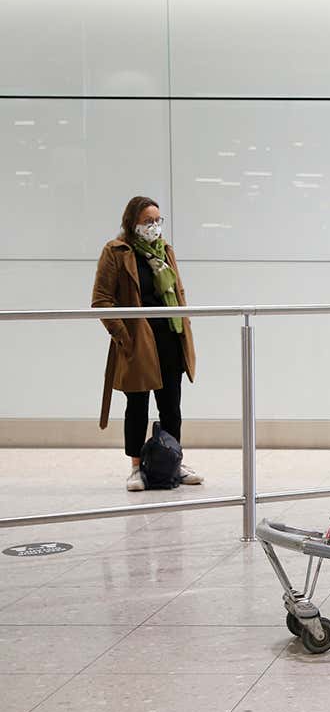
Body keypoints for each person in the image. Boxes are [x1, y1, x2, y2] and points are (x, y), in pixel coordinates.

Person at [92, 196, 203, 491]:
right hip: (138, 343)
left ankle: (172, 462)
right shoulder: (116, 252)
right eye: (147, 221)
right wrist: (123, 337)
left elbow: (177, 291)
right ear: (132, 223)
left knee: (171, 408)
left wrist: (184, 325)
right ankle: (136, 467)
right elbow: (101, 300)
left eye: (157, 220)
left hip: (169, 337)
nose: (154, 226)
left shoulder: (165, 251)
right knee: (137, 406)